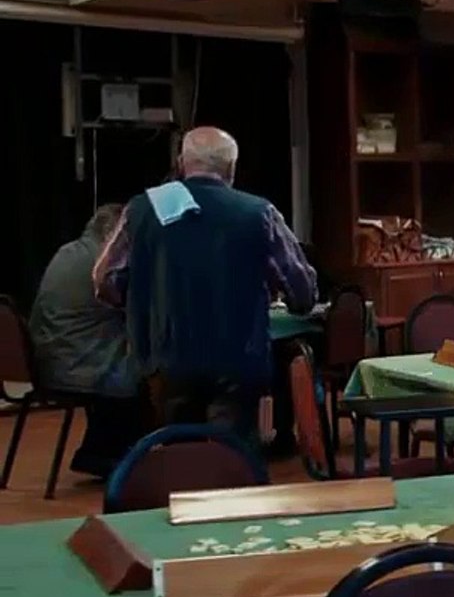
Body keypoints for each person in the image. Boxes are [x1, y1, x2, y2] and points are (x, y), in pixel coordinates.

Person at [93, 127, 316, 442]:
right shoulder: (260, 213)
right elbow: (302, 293)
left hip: (163, 359)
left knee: (177, 454)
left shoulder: (142, 209)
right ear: (232, 168)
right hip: (239, 358)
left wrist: (140, 303)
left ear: (181, 163)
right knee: (233, 457)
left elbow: (104, 280)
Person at [29, 204, 144, 476]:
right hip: (79, 364)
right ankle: (122, 455)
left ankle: (101, 449)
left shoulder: (68, 251)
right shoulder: (104, 264)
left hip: (52, 359)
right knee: (154, 372)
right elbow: (142, 308)